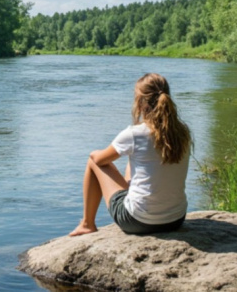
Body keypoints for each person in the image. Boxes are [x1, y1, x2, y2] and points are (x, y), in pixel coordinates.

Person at [69, 73, 192, 237]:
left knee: (93, 160)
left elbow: (99, 160)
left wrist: (95, 152)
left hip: (138, 222)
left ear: (140, 102)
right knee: (133, 161)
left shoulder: (135, 134)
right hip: (175, 220)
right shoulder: (183, 132)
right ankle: (131, 198)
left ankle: (87, 223)